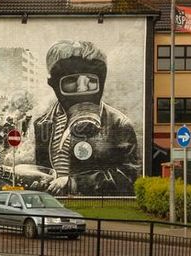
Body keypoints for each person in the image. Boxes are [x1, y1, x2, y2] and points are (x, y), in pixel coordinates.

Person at [33, 40, 139, 196]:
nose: (82, 88)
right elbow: (43, 169)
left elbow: (129, 176)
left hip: (93, 208)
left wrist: (75, 183)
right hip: (52, 206)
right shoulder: (43, 125)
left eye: (90, 80)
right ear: (54, 84)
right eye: (71, 80)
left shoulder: (119, 124)